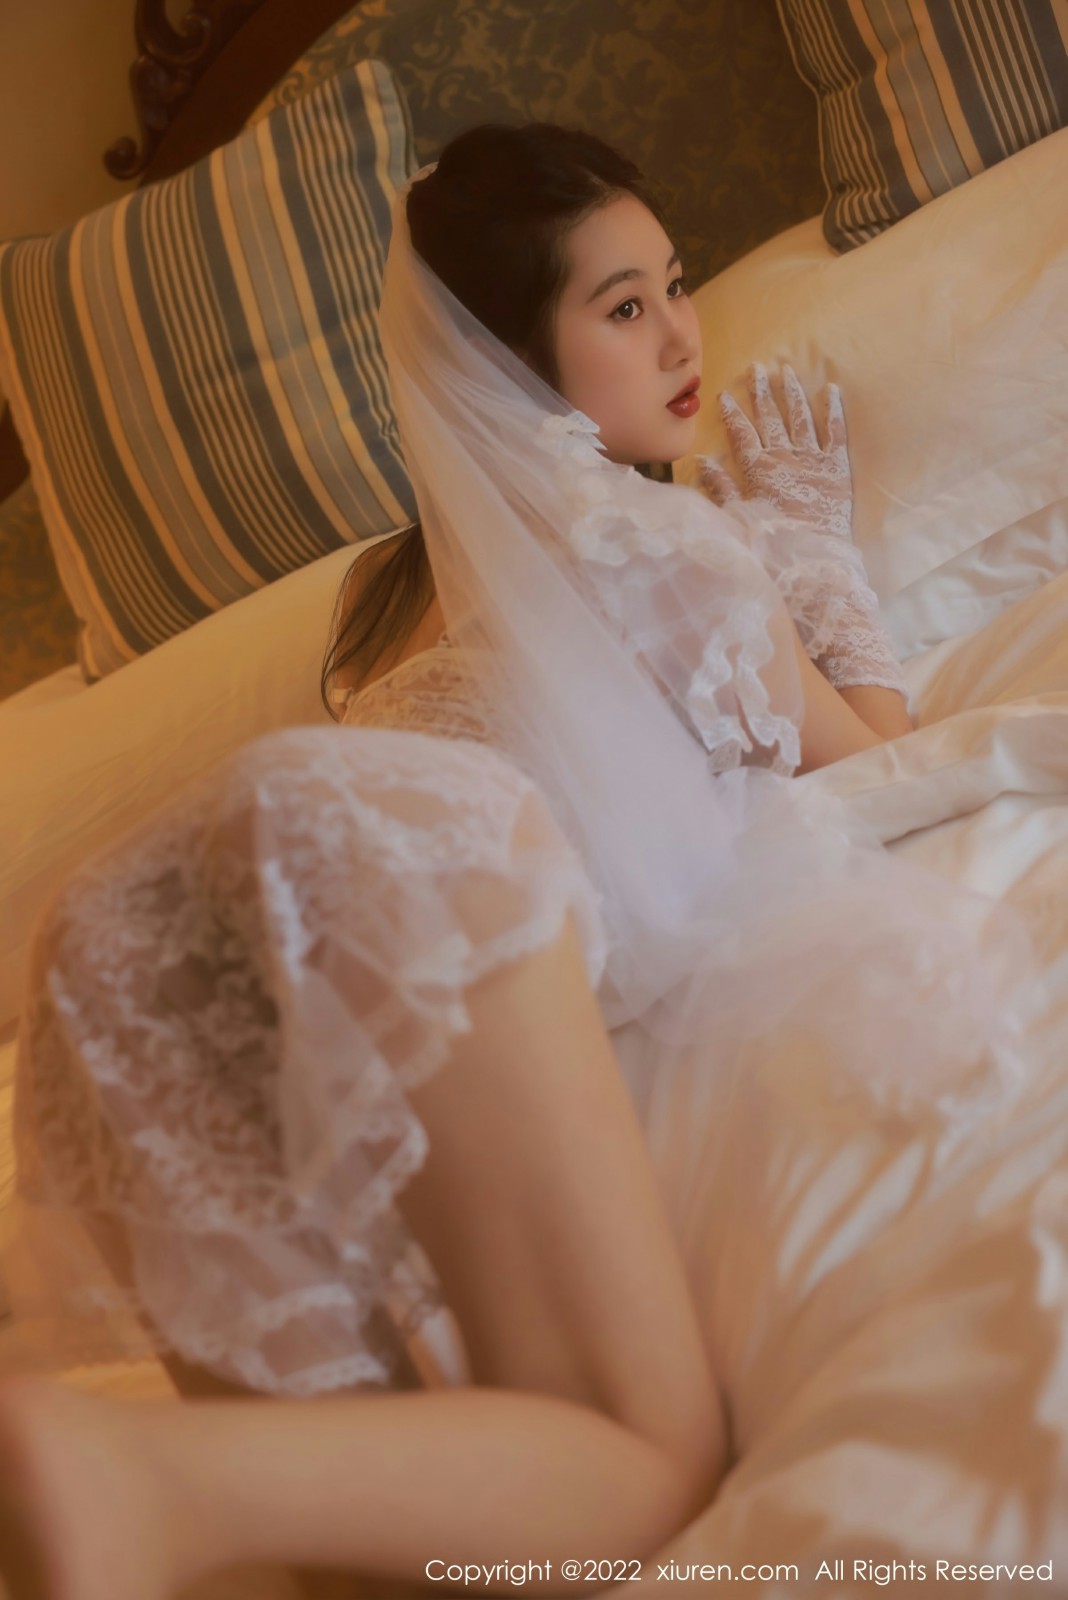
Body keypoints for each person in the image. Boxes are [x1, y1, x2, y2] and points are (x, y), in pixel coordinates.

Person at [0, 125, 1034, 1600]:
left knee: (364, 1549)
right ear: (506, 356)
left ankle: (111, 1478)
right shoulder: (658, 548)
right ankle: (96, 1460)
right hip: (389, 856)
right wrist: (811, 556)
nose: (683, 334)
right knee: (641, 1462)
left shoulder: (392, 598)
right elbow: (875, 757)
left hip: (127, 933)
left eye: (675, 283)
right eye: (624, 306)